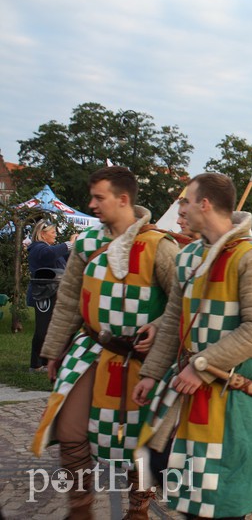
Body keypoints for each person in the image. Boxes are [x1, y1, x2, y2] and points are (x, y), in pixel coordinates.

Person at [32, 167, 180, 519]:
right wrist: (54, 350)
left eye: (99, 197)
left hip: (142, 360)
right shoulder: (86, 243)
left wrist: (159, 325)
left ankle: (138, 509)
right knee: (68, 430)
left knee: (139, 443)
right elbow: (68, 301)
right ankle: (80, 510)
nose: (91, 204)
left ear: (123, 199)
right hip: (89, 350)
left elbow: (186, 301)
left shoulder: (160, 246)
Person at [133, 173, 252, 517]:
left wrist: (200, 367)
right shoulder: (188, 258)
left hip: (234, 399)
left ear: (204, 204)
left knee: (223, 502)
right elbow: (173, 322)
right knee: (187, 495)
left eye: (186, 201)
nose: (181, 208)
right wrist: (151, 374)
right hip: (189, 393)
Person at [26, 220, 76, 371]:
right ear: (42, 234)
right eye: (53, 232)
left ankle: (47, 362)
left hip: (54, 293)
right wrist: (70, 243)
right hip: (43, 295)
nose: (56, 235)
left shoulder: (48, 248)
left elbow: (63, 260)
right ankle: (35, 364)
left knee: (52, 329)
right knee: (43, 329)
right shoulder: (37, 248)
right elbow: (50, 254)